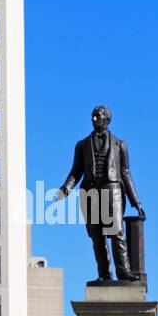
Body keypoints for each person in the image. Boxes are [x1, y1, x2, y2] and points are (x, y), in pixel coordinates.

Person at [56, 105, 145, 285]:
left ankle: (123, 272)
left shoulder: (120, 145)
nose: (94, 119)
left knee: (116, 231)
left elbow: (126, 173)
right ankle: (104, 274)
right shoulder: (82, 145)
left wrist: (136, 202)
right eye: (93, 116)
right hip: (90, 191)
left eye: (98, 116)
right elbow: (76, 171)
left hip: (112, 190)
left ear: (107, 119)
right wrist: (66, 188)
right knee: (97, 235)